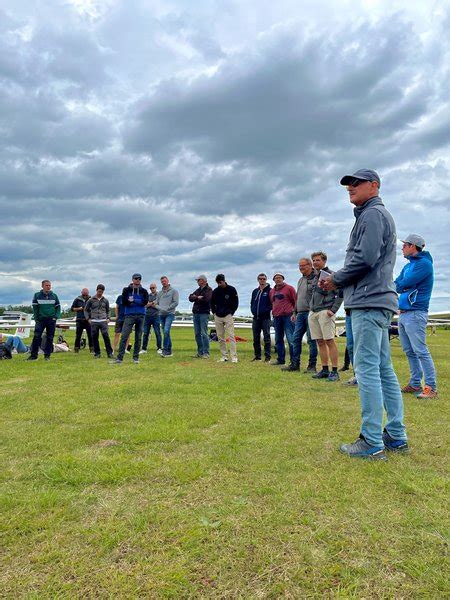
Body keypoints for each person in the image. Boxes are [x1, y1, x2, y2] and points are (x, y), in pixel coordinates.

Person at [320, 168, 407, 460]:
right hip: (377, 300)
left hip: (369, 301)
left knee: (367, 369)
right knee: (383, 369)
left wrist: (336, 279)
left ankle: (371, 441)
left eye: (356, 183)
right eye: (348, 184)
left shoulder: (372, 215)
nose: (350, 187)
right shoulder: (374, 215)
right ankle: (395, 434)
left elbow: (364, 259)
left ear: (375, 186)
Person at [395, 234, 437, 399]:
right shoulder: (408, 266)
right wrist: (401, 285)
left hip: (416, 313)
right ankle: (414, 383)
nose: (402, 248)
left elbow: (404, 284)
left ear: (413, 246)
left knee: (420, 351)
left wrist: (402, 285)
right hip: (404, 314)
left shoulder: (424, 264)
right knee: (409, 350)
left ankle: (431, 387)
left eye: (404, 245)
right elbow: (397, 284)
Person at [308, 252, 342, 381]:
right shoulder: (315, 277)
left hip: (325, 311)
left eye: (317, 260)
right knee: (319, 341)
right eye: (313, 260)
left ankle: (334, 371)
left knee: (329, 340)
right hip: (314, 311)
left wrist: (333, 310)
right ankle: (324, 369)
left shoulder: (331, 275)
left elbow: (340, 293)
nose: (315, 262)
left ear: (324, 261)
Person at [282, 258, 318, 372]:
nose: (301, 268)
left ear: (310, 265)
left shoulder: (316, 278)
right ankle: (295, 364)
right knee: (295, 338)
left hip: (310, 313)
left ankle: (312, 366)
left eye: (303, 266)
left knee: (311, 340)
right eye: (299, 266)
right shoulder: (300, 280)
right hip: (300, 314)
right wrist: (294, 312)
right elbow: (298, 298)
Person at [114, 274, 149, 364]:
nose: (138, 280)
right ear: (132, 279)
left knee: (138, 337)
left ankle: (135, 358)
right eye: (136, 278)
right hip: (129, 315)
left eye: (139, 279)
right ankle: (119, 358)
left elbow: (145, 302)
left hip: (141, 315)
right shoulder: (126, 290)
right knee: (124, 336)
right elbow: (124, 302)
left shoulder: (144, 291)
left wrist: (133, 301)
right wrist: (137, 302)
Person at [28, 280, 61, 361]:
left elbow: (58, 308)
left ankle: (47, 356)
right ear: (42, 286)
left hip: (51, 320)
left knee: (50, 338)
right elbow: (35, 308)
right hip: (41, 320)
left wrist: (55, 317)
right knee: (36, 337)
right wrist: (36, 319)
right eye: (47, 285)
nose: (48, 287)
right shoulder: (37, 295)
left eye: (49, 285)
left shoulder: (54, 296)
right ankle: (33, 356)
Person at [269, 273, 296, 366]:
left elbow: (295, 301)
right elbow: (272, 303)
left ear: (283, 279)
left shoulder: (289, 288)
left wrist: (294, 313)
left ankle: (294, 361)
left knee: (290, 339)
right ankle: (280, 359)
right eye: (276, 278)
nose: (278, 279)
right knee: (278, 339)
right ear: (273, 280)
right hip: (277, 317)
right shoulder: (272, 291)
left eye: (280, 278)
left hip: (288, 316)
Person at [211, 274, 239, 363]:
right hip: (218, 316)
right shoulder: (215, 291)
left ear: (224, 280)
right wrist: (214, 313)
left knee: (231, 336)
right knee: (220, 337)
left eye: (220, 282)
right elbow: (211, 303)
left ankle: (234, 357)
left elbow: (236, 302)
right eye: (218, 283)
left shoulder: (232, 289)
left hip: (228, 315)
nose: (219, 284)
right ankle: (224, 356)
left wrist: (231, 312)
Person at [84, 284, 114, 359]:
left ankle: (109, 353)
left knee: (106, 337)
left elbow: (108, 310)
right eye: (99, 291)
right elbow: (86, 310)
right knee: (95, 338)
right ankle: (97, 353)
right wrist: (88, 319)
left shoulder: (105, 300)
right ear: (96, 290)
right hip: (94, 321)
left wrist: (108, 318)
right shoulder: (91, 300)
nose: (100, 293)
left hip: (103, 321)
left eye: (102, 292)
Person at [189, 274, 213, 359]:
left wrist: (196, 298)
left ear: (203, 280)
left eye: (198, 280)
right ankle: (200, 352)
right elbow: (190, 297)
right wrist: (197, 297)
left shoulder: (209, 290)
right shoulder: (198, 290)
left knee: (204, 333)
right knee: (197, 334)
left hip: (204, 313)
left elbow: (206, 300)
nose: (197, 282)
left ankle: (206, 353)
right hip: (196, 313)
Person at [155, 276, 179, 358]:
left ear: (168, 281)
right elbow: (156, 303)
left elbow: (176, 302)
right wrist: (159, 308)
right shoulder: (159, 293)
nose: (163, 282)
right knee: (166, 332)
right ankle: (169, 350)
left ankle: (165, 350)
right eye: (162, 281)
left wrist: (167, 308)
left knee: (166, 331)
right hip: (161, 315)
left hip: (170, 314)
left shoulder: (174, 291)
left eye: (165, 281)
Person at [250, 273, 272, 362]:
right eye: (260, 279)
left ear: (266, 280)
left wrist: (266, 310)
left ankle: (267, 357)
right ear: (258, 280)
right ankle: (257, 356)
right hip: (256, 318)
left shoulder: (270, 291)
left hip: (265, 318)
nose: (262, 280)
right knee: (256, 338)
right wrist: (253, 310)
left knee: (267, 337)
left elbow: (272, 304)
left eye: (263, 279)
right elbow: (252, 303)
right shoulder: (255, 291)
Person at [140, 282, 162, 355]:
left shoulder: (159, 295)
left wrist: (150, 304)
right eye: (151, 288)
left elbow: (159, 304)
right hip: (147, 316)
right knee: (145, 333)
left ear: (156, 288)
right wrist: (152, 304)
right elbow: (144, 305)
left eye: (153, 288)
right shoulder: (147, 295)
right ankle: (144, 349)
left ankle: (159, 348)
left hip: (156, 316)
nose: (152, 289)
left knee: (157, 333)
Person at [71, 288, 93, 353]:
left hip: (88, 320)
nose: (85, 296)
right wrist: (79, 308)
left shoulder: (91, 299)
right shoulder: (77, 299)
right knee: (78, 335)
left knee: (90, 335)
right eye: (84, 294)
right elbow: (72, 309)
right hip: (79, 320)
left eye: (86, 294)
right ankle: (76, 349)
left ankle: (92, 349)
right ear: (81, 293)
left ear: (88, 293)